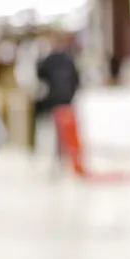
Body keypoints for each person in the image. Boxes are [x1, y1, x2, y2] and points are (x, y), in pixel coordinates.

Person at [34, 30, 81, 166]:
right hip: (65, 100)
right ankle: (62, 159)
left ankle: (60, 159)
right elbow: (76, 80)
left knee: (58, 132)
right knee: (62, 133)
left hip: (55, 101)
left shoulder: (49, 60)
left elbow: (40, 75)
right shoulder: (67, 59)